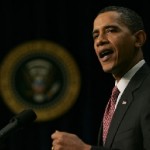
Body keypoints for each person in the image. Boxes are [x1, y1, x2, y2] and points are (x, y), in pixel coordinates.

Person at [51, 5, 150, 150]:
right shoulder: (118, 96)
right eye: (95, 35)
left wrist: (85, 149)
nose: (100, 40)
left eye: (110, 30)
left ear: (138, 39)